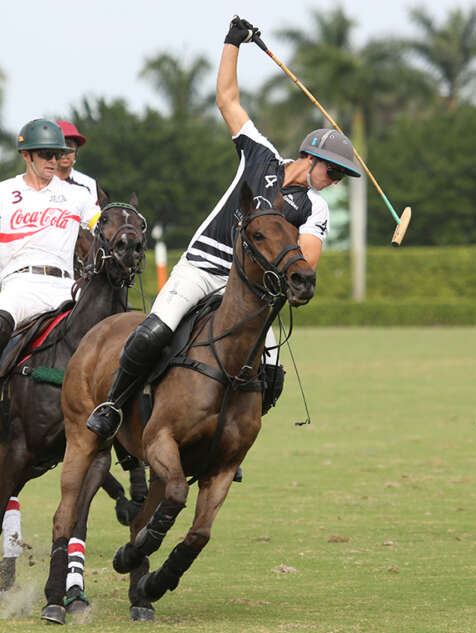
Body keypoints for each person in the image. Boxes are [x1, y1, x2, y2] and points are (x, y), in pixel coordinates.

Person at [85, 16, 362, 440]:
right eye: (333, 170)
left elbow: (306, 259)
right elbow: (227, 99)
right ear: (309, 156)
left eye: (341, 176)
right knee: (154, 331)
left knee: (269, 368)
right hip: (202, 266)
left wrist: (297, 282)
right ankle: (113, 407)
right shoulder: (261, 155)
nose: (334, 180)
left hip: (248, 287)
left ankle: (229, 435)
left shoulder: (315, 207)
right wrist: (232, 43)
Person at [0, 118, 94, 447]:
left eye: (57, 154)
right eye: (45, 154)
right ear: (26, 156)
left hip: (66, 288)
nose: (53, 160)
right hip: (21, 285)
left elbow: (102, 223)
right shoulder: (1, 193)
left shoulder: (76, 196)